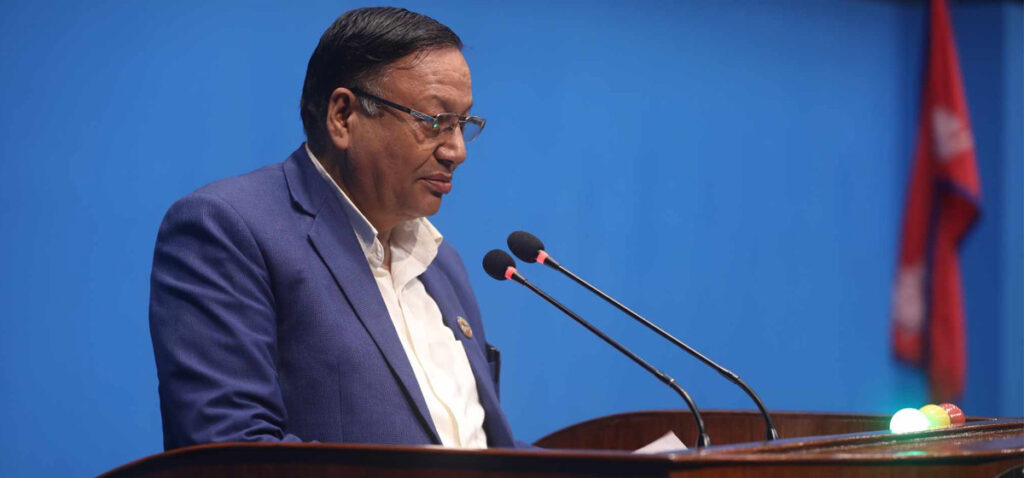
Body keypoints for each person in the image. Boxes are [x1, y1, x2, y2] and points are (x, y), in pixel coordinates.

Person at [149, 7, 516, 450]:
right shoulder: (229, 230)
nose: (456, 151)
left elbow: (485, 450)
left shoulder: (442, 263)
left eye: (463, 124)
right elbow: (231, 450)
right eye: (435, 120)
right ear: (343, 116)